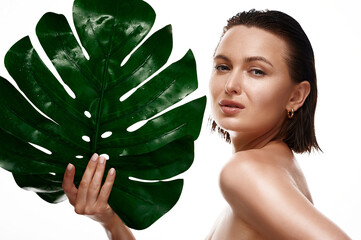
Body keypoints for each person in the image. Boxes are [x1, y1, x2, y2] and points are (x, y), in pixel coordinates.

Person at [62, 9, 351, 239]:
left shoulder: (245, 172)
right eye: (223, 66)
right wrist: (111, 221)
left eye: (257, 71)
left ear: (296, 95)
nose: (231, 85)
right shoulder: (277, 164)